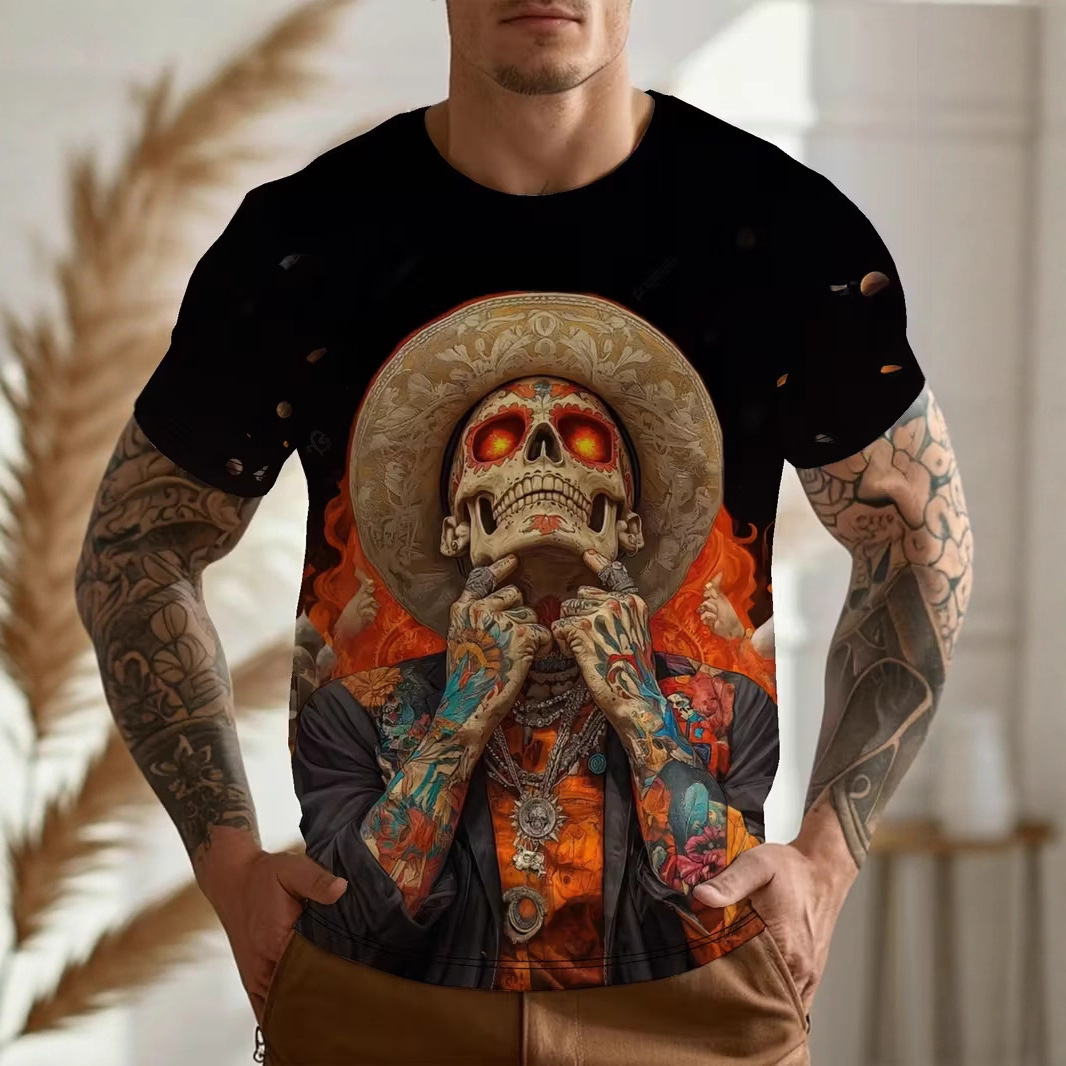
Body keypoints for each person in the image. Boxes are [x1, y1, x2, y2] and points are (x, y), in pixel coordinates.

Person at [73, 1, 974, 1064]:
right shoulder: (305, 242)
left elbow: (914, 533)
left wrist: (826, 858)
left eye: (578, 448)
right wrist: (229, 867)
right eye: (502, 447)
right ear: (455, 507)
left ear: (628, 509)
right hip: (371, 1001)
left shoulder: (780, 233)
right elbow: (139, 546)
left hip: (702, 994)